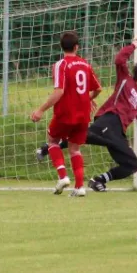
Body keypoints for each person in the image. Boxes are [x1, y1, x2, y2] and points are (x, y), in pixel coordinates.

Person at [36, 35, 137, 191]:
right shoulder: (125, 80)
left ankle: (98, 180)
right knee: (82, 137)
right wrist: (134, 45)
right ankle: (48, 148)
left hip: (118, 132)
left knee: (133, 165)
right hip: (109, 120)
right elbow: (120, 59)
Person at [30, 31, 102, 197]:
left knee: (52, 141)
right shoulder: (85, 64)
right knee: (75, 149)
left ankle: (63, 177)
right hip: (83, 114)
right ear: (77, 47)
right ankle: (79, 187)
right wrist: (87, 98)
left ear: (61, 46)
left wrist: (41, 109)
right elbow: (98, 89)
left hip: (66, 113)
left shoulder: (60, 65)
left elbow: (59, 91)